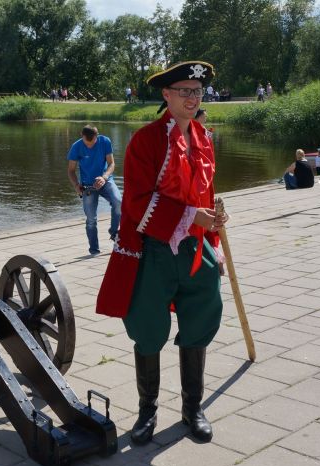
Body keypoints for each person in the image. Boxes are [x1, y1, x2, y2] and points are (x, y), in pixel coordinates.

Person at [96, 60, 227, 445]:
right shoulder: (146, 141)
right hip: (153, 250)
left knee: (202, 317)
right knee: (148, 329)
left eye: (197, 92)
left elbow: (204, 191)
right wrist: (191, 216)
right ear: (166, 95)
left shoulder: (203, 136)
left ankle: (192, 408)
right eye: (185, 91)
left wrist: (212, 225)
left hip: (195, 248)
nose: (192, 98)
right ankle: (147, 411)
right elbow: (136, 203)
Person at [67, 125, 122, 255]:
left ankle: (114, 232)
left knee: (118, 201)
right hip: (88, 186)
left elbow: (111, 163)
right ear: (82, 136)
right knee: (91, 219)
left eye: (93, 142)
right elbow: (70, 170)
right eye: (87, 143)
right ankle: (94, 250)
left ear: (97, 136)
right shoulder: (76, 147)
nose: (90, 145)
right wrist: (76, 185)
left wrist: (104, 177)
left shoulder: (105, 141)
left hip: (105, 180)